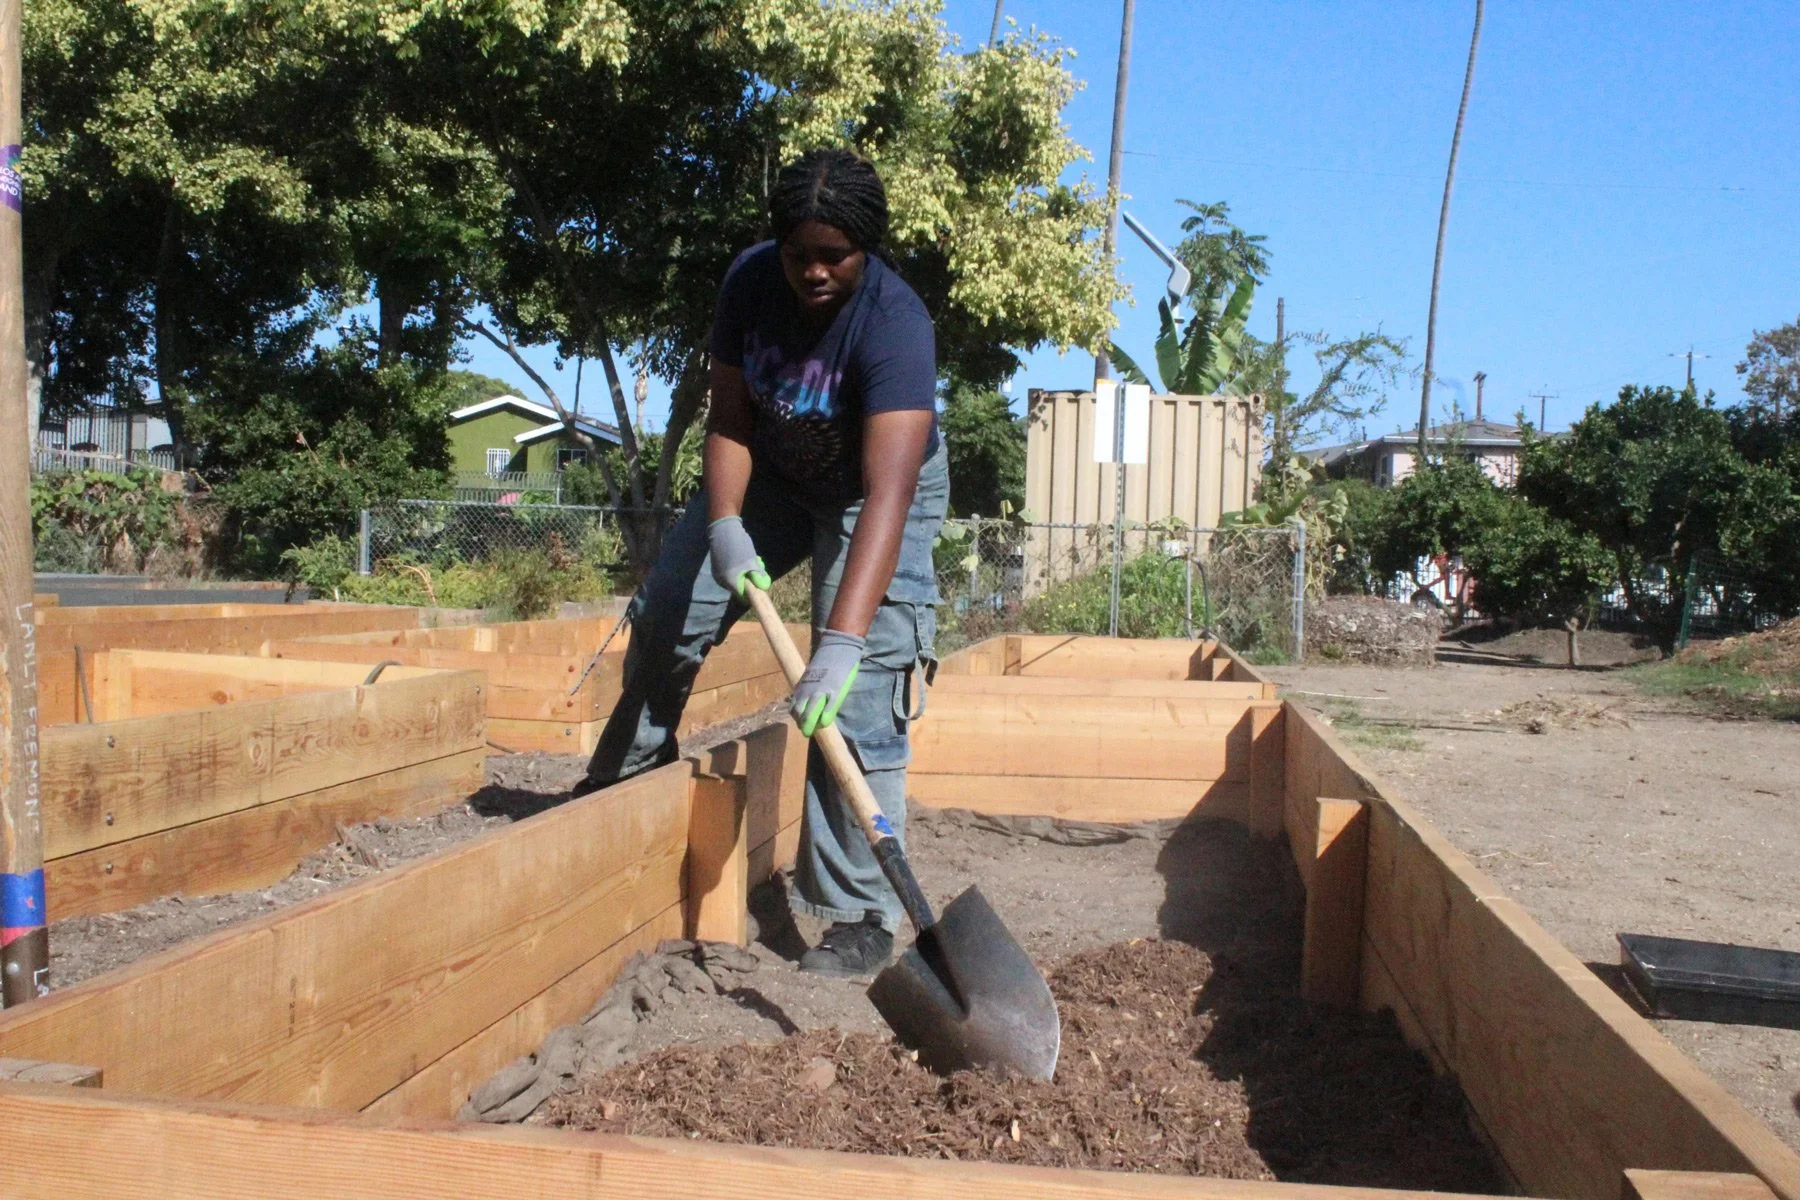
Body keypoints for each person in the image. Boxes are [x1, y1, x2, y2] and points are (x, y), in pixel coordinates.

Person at [577, 148, 947, 978]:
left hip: (871, 493)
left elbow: (886, 496)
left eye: (834, 256)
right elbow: (732, 418)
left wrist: (844, 641)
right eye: (799, 254)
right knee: (673, 604)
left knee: (859, 692)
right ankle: (626, 780)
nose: (814, 271)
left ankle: (858, 912)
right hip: (771, 472)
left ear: (867, 250)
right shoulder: (749, 284)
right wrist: (724, 526)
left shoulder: (896, 323)